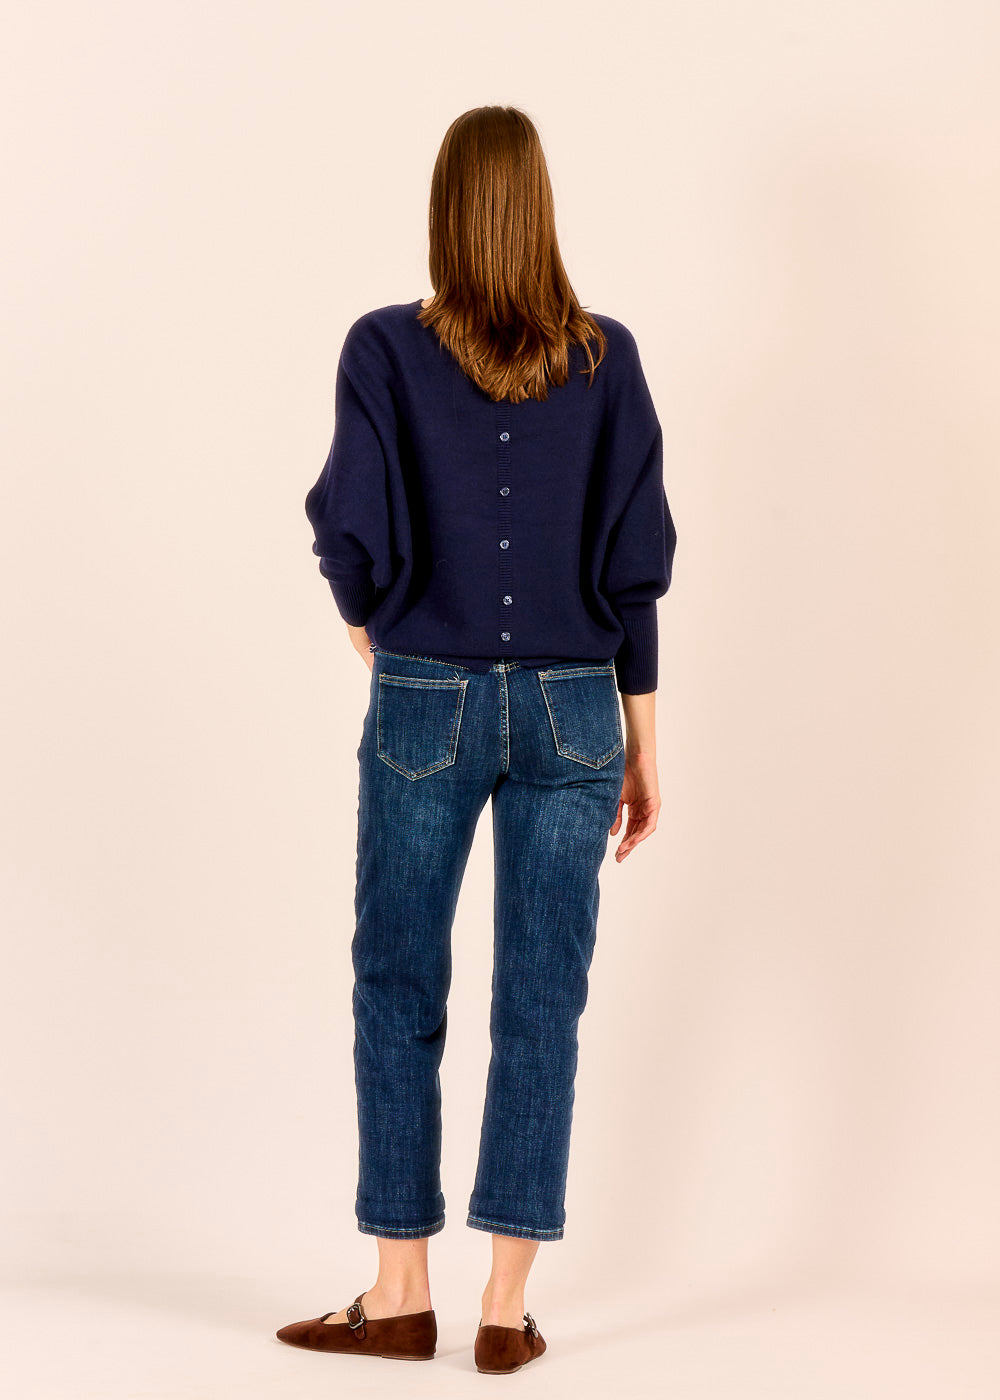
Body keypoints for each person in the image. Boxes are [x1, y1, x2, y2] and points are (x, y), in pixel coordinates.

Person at [276, 104, 677, 1375]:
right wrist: (643, 737)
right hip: (574, 703)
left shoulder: (384, 347)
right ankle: (504, 1310)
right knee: (542, 1000)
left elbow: (348, 525)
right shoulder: (606, 357)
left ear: (446, 209)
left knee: (397, 984)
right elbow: (634, 564)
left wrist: (374, 630)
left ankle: (399, 1292)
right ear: (539, 206)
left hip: (426, 696)